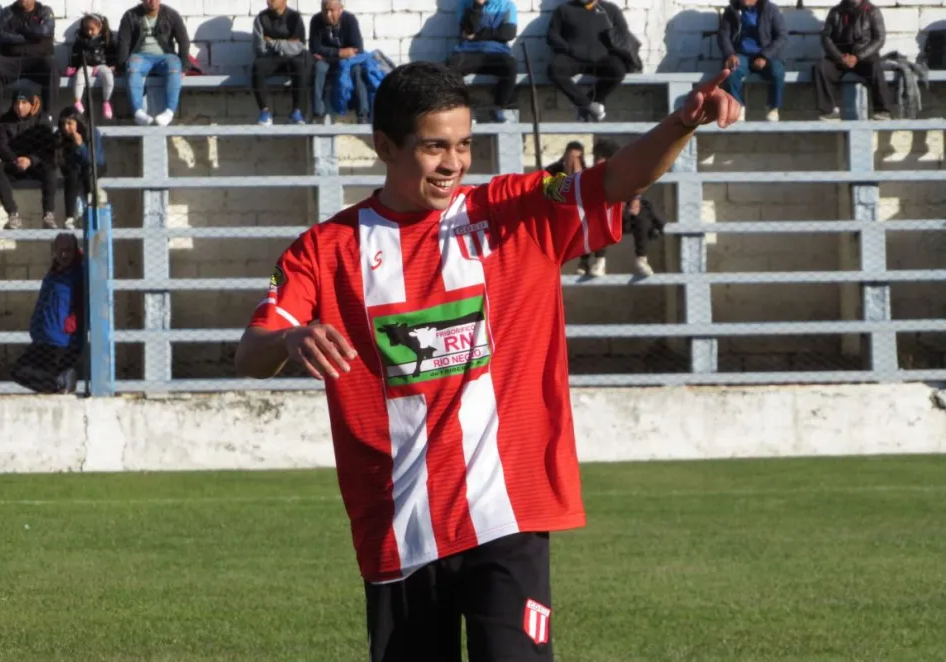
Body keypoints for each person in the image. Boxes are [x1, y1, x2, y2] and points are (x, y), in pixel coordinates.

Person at [235, 61, 739, 661]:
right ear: (385, 147)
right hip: (400, 526)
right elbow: (251, 351)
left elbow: (614, 181)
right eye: (434, 147)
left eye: (464, 144)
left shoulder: (514, 210)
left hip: (508, 511)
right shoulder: (326, 249)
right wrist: (289, 341)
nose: (453, 163)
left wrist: (682, 124)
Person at [11, 233, 84, 395]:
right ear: (54, 250)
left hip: (62, 341)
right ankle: (62, 382)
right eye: (60, 250)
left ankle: (60, 384)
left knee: (21, 370)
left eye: (68, 250)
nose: (64, 254)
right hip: (44, 338)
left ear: (76, 250)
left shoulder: (79, 272)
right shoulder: (55, 271)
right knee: (19, 371)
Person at [547, 0, 641, 122]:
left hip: (603, 59)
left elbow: (623, 34)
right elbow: (552, 35)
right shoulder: (563, 10)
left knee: (618, 69)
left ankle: (591, 102)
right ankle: (587, 105)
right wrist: (568, 48)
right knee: (554, 69)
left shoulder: (610, 9)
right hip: (573, 58)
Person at [0, 81, 57, 229]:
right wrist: (15, 160)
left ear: (32, 104)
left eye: (24, 103)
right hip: (13, 164)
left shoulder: (42, 120)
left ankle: (48, 215)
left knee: (50, 168)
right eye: (16, 103)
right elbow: (1, 145)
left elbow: (47, 147)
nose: (19, 107)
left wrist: (30, 160)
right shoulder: (5, 120)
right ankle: (13, 214)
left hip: (35, 165)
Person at [116, 0, 190, 127]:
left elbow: (183, 40)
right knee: (132, 67)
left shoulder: (170, 14)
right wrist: (122, 66)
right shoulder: (130, 16)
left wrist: (184, 66)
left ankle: (169, 112)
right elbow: (123, 43)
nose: (152, 1)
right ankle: (138, 112)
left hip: (165, 57)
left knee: (175, 66)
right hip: (140, 56)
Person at [815, 0, 891, 121]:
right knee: (822, 67)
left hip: (864, 57)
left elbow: (879, 39)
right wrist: (839, 57)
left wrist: (858, 56)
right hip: (840, 58)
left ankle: (882, 110)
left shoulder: (872, 11)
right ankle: (828, 111)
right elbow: (826, 37)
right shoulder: (835, 12)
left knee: (875, 67)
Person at [0, 0, 59, 120]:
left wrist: (20, 30)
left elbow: (45, 32)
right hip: (12, 59)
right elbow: (2, 35)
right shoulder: (7, 12)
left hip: (37, 60)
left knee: (52, 66)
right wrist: (31, 36)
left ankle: (48, 115)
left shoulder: (44, 11)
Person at [446, 0, 518, 124]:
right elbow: (468, 30)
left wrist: (477, 35)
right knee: (450, 69)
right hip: (468, 51)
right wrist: (477, 6)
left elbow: (508, 33)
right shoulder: (465, 4)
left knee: (511, 66)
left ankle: (500, 107)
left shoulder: (507, 6)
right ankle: (465, 109)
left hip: (496, 52)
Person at [718, 0, 788, 122]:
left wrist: (765, 56)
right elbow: (723, 35)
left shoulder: (770, 9)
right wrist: (730, 54)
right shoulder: (732, 10)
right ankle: (737, 106)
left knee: (778, 71)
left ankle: (773, 107)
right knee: (731, 71)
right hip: (742, 54)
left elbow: (781, 36)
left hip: (767, 55)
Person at [253, 0, 311, 126]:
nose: (268, 1)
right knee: (257, 66)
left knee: (301, 64)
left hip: (292, 58)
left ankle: (297, 112)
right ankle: (265, 112)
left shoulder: (295, 17)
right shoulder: (261, 18)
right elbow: (260, 48)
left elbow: (298, 46)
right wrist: (286, 44)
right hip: (271, 58)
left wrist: (273, 43)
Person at [309, 0, 367, 123]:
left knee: (357, 70)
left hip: (346, 62)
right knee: (319, 68)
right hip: (327, 61)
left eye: (332, 10)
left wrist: (327, 54)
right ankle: (318, 113)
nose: (328, 14)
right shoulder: (316, 20)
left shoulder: (350, 20)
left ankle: (362, 114)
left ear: (340, 9)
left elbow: (357, 48)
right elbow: (315, 48)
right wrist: (339, 53)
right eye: (325, 10)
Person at [57, 106, 105, 230]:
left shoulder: (92, 132)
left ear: (77, 122)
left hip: (95, 165)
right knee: (71, 175)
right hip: (75, 167)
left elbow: (95, 161)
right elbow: (62, 163)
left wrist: (81, 146)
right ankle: (70, 217)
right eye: (63, 124)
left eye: (69, 123)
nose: (65, 127)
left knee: (88, 173)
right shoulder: (60, 137)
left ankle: (91, 211)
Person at [67, 13, 117, 120]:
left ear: (100, 27)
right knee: (80, 75)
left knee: (108, 76)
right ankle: (77, 101)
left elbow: (112, 53)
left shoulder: (107, 39)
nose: (89, 32)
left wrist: (113, 65)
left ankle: (106, 101)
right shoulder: (81, 40)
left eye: (92, 29)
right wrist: (73, 66)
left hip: (102, 65)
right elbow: (75, 54)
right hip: (87, 66)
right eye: (87, 29)